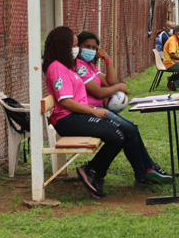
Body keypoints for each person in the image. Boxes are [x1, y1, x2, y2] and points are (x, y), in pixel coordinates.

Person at [76, 31, 172, 186]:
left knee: (132, 128)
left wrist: (108, 59)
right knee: (129, 130)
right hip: (92, 111)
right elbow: (98, 92)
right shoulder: (79, 67)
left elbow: (109, 82)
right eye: (87, 46)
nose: (91, 50)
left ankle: (147, 170)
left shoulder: (90, 66)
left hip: (99, 109)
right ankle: (145, 171)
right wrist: (119, 87)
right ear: (78, 47)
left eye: (94, 47)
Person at [43, 26, 127, 198]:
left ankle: (93, 172)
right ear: (62, 46)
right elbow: (65, 101)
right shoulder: (57, 68)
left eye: (76, 45)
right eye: (74, 45)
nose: (77, 49)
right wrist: (93, 111)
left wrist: (91, 110)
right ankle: (92, 172)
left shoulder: (67, 66)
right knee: (117, 136)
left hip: (78, 116)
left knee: (119, 134)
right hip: (67, 120)